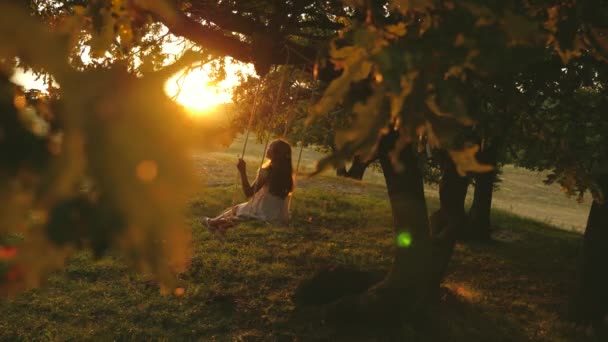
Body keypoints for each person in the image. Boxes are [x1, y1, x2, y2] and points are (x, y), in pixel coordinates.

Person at [202, 139, 294, 234]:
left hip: (264, 210)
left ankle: (212, 222)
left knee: (238, 210)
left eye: (270, 147)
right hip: (279, 214)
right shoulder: (286, 173)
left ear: (276, 153)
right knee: (241, 212)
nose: (267, 149)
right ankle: (218, 224)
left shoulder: (267, 172)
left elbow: (249, 192)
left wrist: (243, 172)